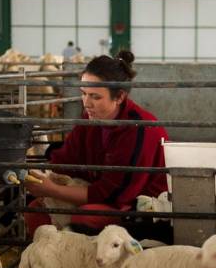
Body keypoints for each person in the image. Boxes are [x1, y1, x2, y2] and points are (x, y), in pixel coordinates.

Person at [24, 50, 168, 235]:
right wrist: (36, 172)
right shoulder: (90, 120)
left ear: (120, 97)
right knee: (36, 209)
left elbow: (114, 195)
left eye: (95, 96)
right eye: (84, 93)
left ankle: (83, 261)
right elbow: (67, 159)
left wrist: (53, 190)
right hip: (100, 194)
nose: (86, 103)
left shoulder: (140, 129)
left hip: (140, 207)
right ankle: (53, 260)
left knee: (85, 218)